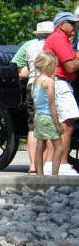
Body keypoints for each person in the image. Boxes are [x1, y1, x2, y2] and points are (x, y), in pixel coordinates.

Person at [43, 11, 79, 175]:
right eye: (71, 23)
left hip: (55, 82)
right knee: (66, 122)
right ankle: (62, 164)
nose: (75, 26)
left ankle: (52, 164)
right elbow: (70, 66)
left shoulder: (57, 38)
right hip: (59, 82)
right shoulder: (59, 38)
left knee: (57, 125)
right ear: (61, 24)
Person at [22, 21, 54, 173]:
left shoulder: (30, 47)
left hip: (32, 85)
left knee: (33, 126)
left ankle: (33, 165)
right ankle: (46, 164)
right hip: (46, 84)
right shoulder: (51, 46)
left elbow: (25, 68)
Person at [32, 51, 63, 175]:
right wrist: (57, 124)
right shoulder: (49, 82)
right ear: (48, 66)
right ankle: (55, 175)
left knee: (40, 146)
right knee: (59, 147)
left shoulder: (36, 81)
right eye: (55, 66)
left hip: (38, 115)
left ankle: (40, 174)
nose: (56, 69)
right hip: (48, 117)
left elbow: (34, 103)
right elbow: (52, 104)